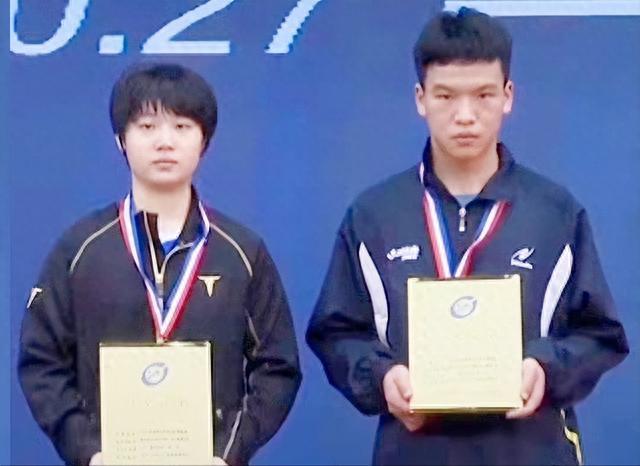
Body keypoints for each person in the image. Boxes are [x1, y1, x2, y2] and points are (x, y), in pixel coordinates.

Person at [306, 7, 628, 465]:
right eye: (445, 96)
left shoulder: (555, 212)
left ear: (508, 96)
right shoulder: (374, 215)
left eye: (483, 95)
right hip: (414, 451)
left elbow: (600, 334)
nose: (465, 116)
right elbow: (336, 332)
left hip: (530, 449)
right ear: (420, 98)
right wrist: (382, 377)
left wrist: (545, 369)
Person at [18, 63, 301, 466]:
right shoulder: (80, 249)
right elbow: (41, 361)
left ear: (204, 140)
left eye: (182, 127)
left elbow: (277, 366)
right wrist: (88, 452)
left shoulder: (241, 251)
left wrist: (228, 453)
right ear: (121, 140)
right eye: (147, 127)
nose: (165, 142)